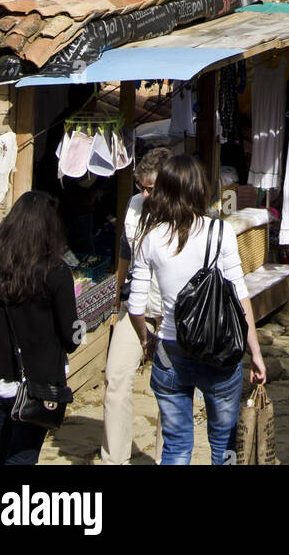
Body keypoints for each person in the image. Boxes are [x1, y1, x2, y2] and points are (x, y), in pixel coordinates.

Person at [127, 154, 266, 466]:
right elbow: (241, 298)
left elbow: (135, 306)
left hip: (169, 349)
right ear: (199, 190)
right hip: (218, 349)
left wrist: (146, 340)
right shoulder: (221, 232)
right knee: (224, 445)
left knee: (175, 448)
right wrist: (254, 352)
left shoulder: (149, 238)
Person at [0, 191, 80, 466]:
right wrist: (80, 319)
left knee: (6, 453)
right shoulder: (56, 272)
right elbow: (72, 337)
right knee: (21, 458)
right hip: (37, 387)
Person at [100, 145, 171, 465]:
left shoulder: (186, 213)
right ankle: (114, 458)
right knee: (115, 378)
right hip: (136, 304)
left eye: (150, 188)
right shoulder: (134, 206)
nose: (144, 194)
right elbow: (126, 250)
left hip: (173, 310)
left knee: (169, 391)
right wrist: (117, 292)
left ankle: (166, 459)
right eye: (140, 187)